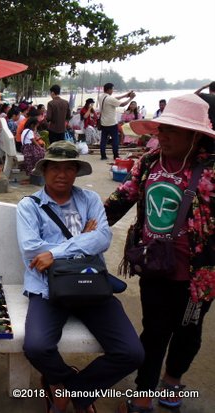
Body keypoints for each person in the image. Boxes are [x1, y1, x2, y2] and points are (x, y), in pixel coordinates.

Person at [104, 94, 215, 413]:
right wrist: (84, 228)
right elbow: (119, 200)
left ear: (195, 135)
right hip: (154, 265)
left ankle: (173, 378)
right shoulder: (148, 163)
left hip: (199, 275)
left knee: (189, 332)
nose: (162, 137)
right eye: (161, 129)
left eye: (172, 131)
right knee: (153, 330)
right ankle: (143, 390)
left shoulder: (210, 171)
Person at [17, 140, 144, 413]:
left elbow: (103, 238)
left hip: (91, 285)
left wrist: (58, 252)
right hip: (47, 288)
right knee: (36, 347)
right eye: (55, 168)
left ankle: (68, 393)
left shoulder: (90, 199)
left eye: (69, 168)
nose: (61, 174)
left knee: (132, 353)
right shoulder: (30, 206)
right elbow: (32, 249)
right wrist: (82, 240)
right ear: (45, 169)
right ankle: (70, 385)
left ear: (77, 171)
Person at [98, 83, 136, 160]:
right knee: (115, 140)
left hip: (103, 123)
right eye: (112, 89)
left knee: (103, 140)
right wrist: (130, 98)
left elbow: (114, 98)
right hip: (112, 123)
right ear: (109, 90)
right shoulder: (110, 99)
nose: (113, 91)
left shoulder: (101, 96)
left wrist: (125, 95)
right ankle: (115, 155)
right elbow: (122, 104)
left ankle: (103, 155)